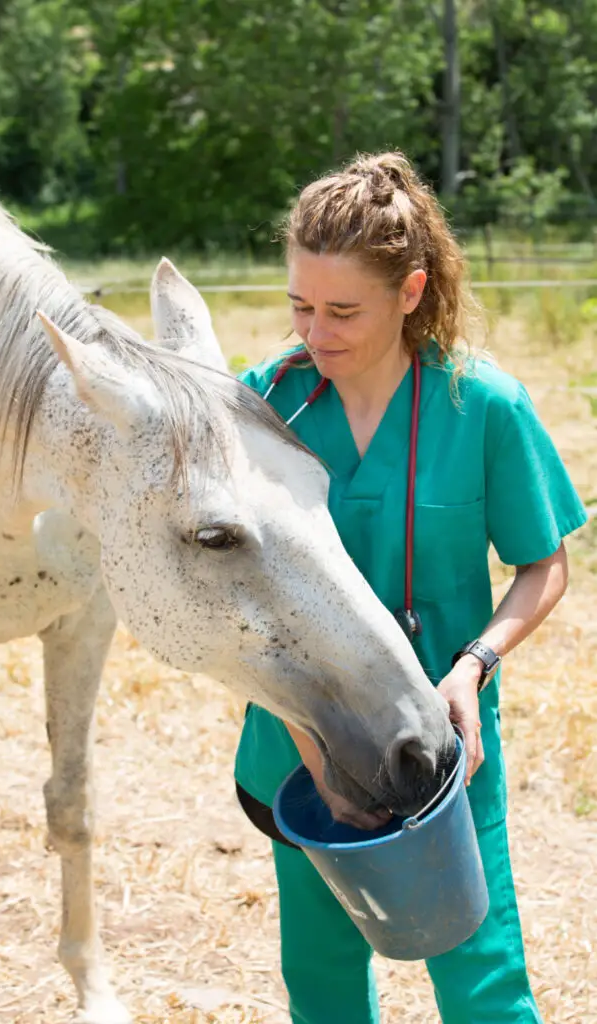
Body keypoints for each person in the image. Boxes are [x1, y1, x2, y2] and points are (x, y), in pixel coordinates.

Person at [233, 151, 587, 1024]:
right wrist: (293, 715)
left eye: (342, 310)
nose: (314, 333)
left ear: (411, 290)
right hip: (299, 748)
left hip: (441, 746)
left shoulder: (486, 408)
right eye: (300, 305)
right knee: (319, 986)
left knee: (484, 987)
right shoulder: (258, 405)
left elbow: (543, 566)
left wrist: (472, 665)